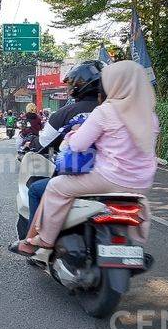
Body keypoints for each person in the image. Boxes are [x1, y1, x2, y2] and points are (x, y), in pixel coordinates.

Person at [10, 60, 159, 255]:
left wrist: (72, 132)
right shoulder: (150, 116)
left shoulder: (105, 111)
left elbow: (77, 145)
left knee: (54, 187)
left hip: (108, 179)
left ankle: (42, 240)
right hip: (142, 184)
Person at [17, 60, 106, 240]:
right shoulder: (116, 111)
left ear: (77, 86)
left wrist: (31, 142)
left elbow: (43, 142)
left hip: (82, 176)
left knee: (35, 190)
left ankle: (35, 240)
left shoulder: (64, 114)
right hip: (121, 179)